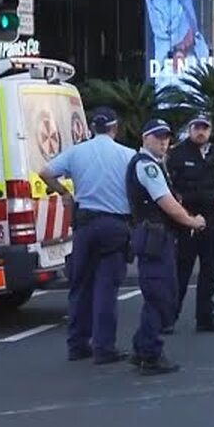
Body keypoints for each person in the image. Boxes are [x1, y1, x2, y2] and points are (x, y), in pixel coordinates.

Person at [39, 107, 137, 363]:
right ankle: (104, 348)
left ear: (92, 128)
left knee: (80, 286)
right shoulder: (128, 155)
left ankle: (77, 345)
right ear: (115, 129)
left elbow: (45, 173)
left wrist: (63, 193)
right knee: (106, 289)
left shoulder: (76, 152)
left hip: (84, 226)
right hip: (115, 226)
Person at [126, 118, 207, 374]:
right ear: (144, 138)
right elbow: (166, 203)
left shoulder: (152, 164)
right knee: (160, 295)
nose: (163, 141)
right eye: (157, 136)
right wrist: (193, 221)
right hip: (154, 237)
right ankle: (150, 353)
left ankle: (142, 346)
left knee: (159, 292)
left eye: (166, 137)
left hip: (155, 236)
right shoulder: (148, 167)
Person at [165, 114, 214, 333]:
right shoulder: (177, 154)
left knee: (210, 270)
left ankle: (205, 317)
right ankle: (169, 319)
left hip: (211, 220)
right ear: (190, 129)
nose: (201, 132)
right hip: (187, 221)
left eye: (205, 128)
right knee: (181, 272)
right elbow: (171, 185)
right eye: (197, 128)